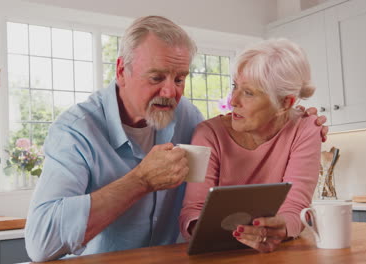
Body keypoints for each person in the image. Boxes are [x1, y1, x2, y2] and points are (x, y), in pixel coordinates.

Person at [25, 16, 327, 262]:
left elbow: (247, 124)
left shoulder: (187, 118)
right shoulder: (76, 131)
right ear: (121, 70)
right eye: (156, 78)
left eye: (180, 78)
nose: (171, 93)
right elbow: (40, 244)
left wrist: (296, 118)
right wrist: (140, 180)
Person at [179, 38, 323, 253]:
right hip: (214, 255)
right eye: (235, 86)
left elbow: (295, 208)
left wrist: (279, 229)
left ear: (285, 103)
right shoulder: (209, 134)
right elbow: (192, 211)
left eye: (249, 92)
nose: (233, 100)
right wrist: (212, 233)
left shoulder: (305, 129)